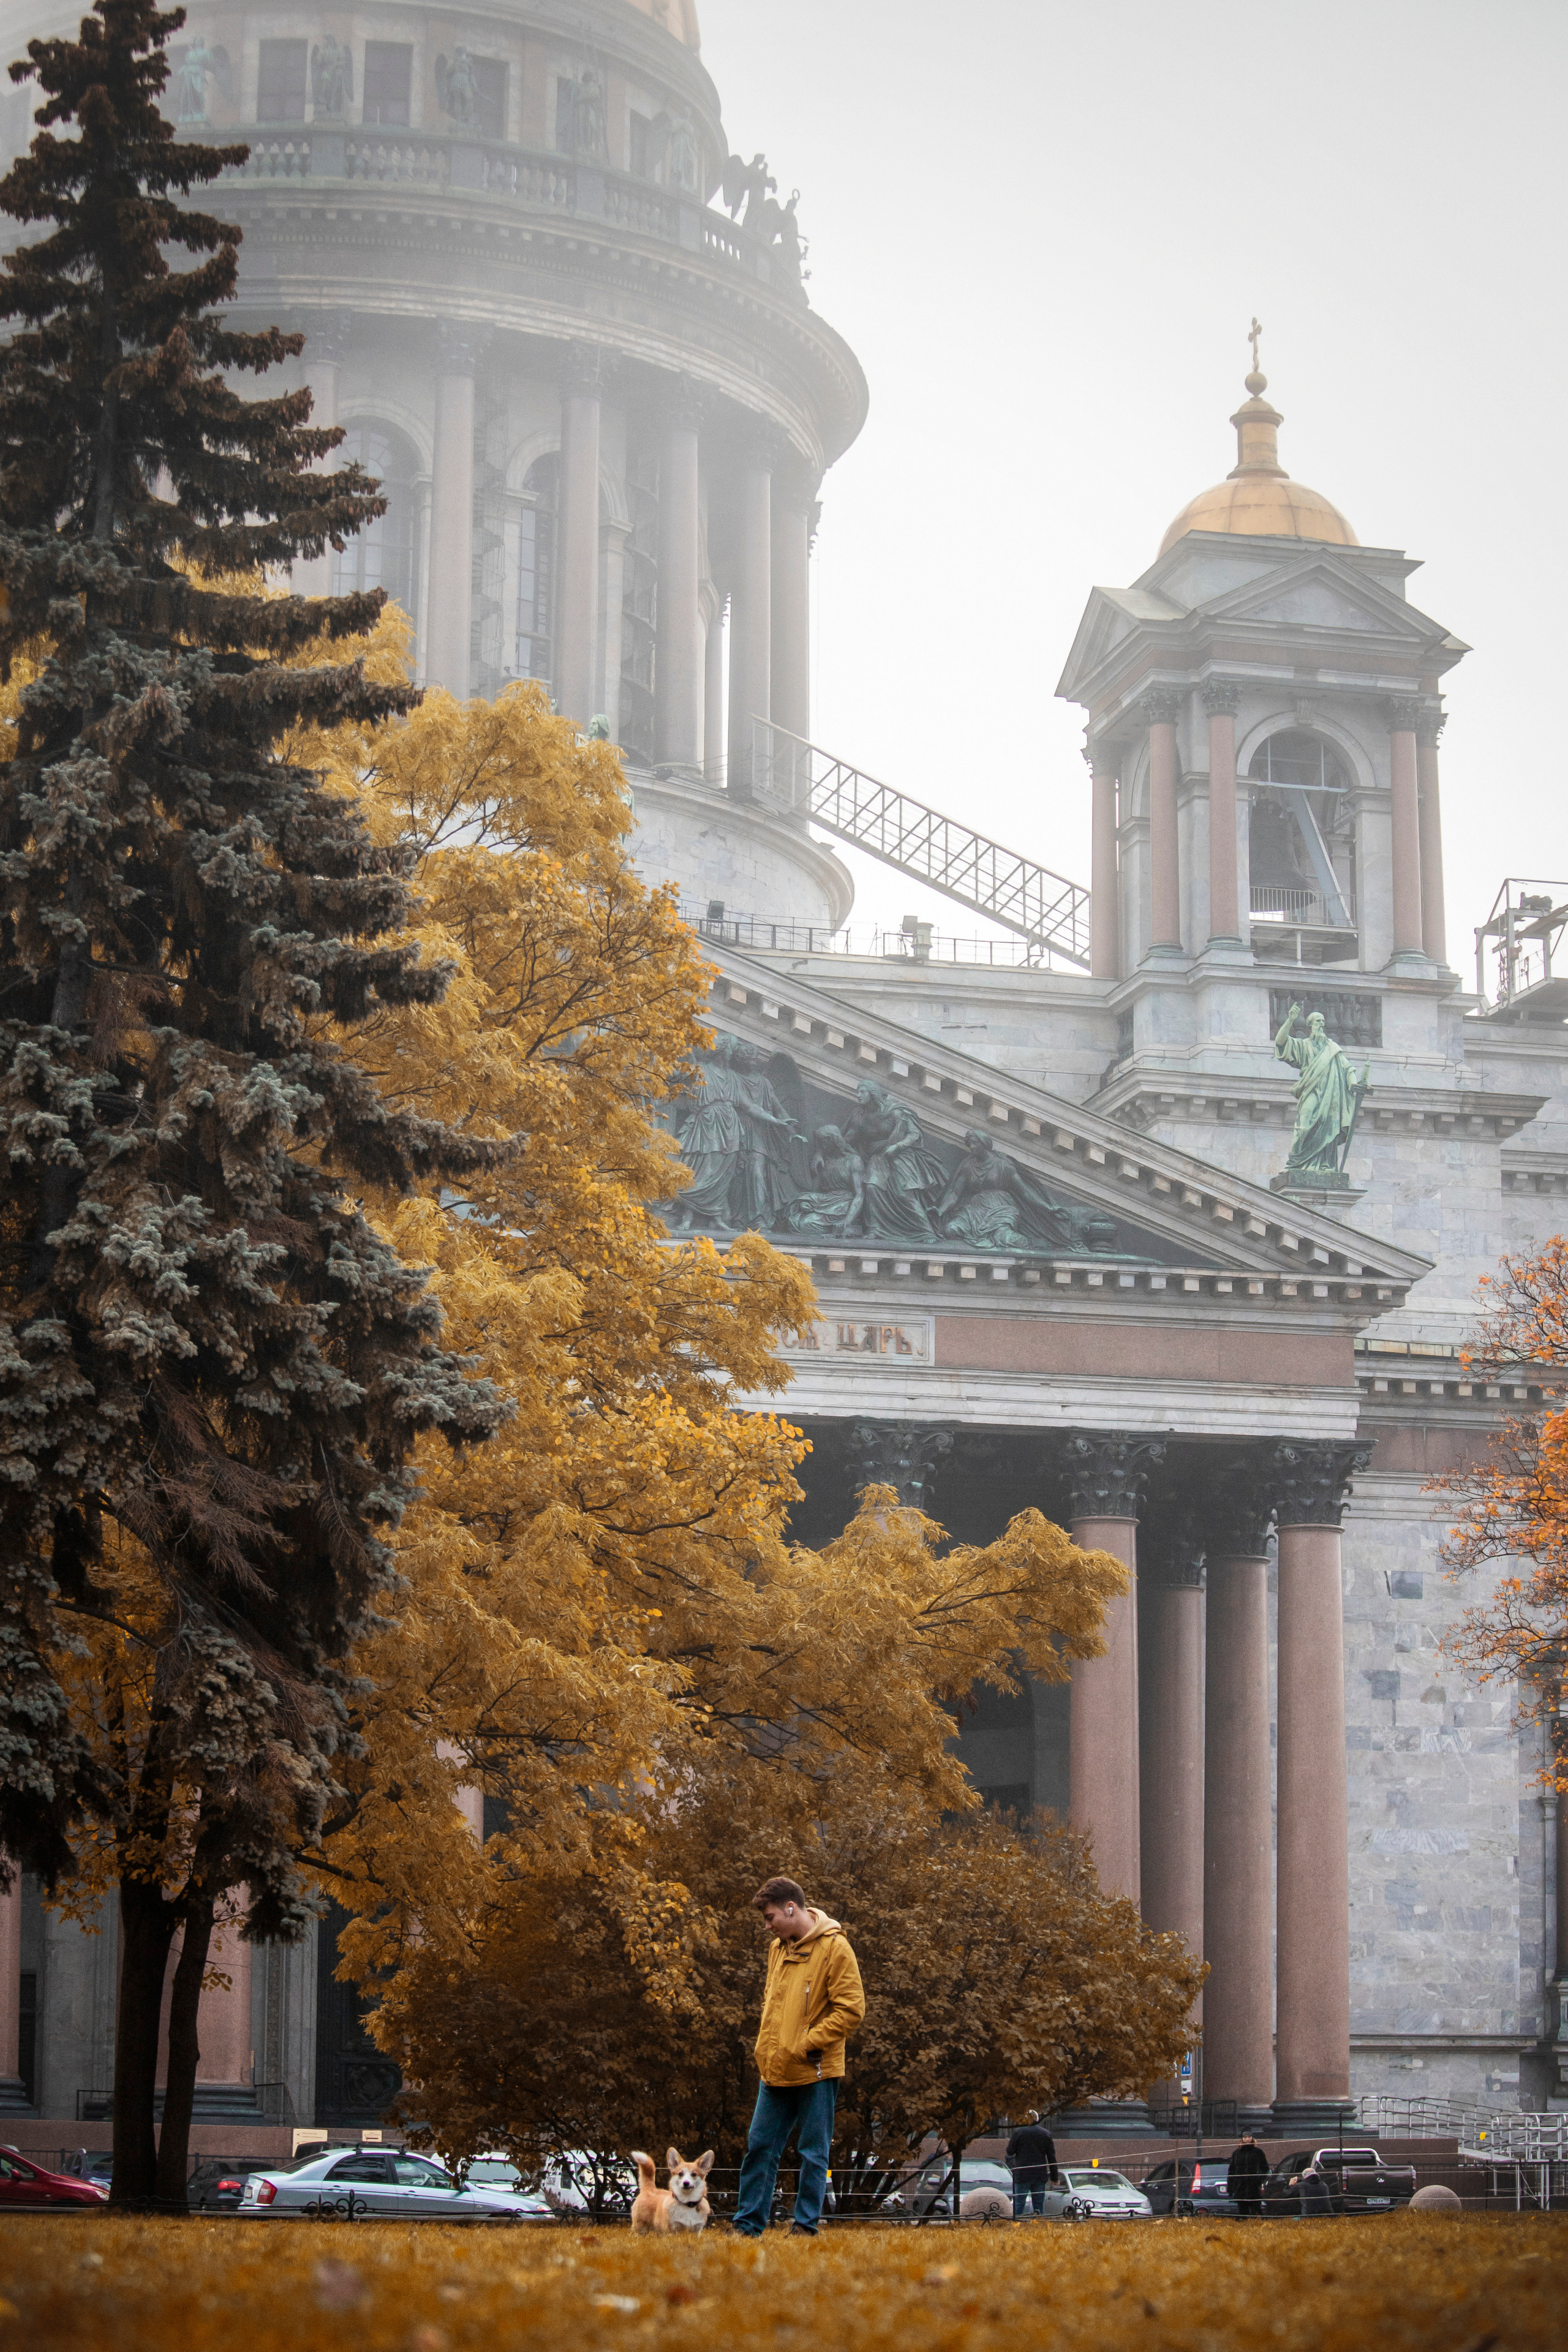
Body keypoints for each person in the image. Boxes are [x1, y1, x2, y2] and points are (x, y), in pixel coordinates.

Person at [731, 1875, 865, 2239]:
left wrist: (808, 2043)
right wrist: (769, 2048)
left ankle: (805, 2227)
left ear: (791, 1908)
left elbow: (851, 2010)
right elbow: (773, 2006)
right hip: (774, 2070)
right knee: (760, 2147)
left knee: (813, 2152)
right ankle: (747, 2226)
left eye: (771, 1917)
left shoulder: (836, 1949)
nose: (768, 1926)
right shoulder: (778, 1949)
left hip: (816, 2070)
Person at [1005, 2109, 1058, 2218]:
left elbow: (1010, 2151)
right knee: (1038, 2205)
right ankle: (1038, 2225)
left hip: (1022, 2174)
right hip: (1039, 2175)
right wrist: (1054, 2177)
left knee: (1019, 2204)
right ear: (1038, 2119)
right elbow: (1052, 2158)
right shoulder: (1046, 2134)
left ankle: (1017, 2224)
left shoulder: (1019, 2132)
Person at [1227, 2130, 1269, 2217]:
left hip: (1254, 2187)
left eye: (1249, 2137)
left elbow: (1265, 2168)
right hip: (1240, 2187)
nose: (1247, 2139)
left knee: (1256, 2212)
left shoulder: (1258, 2152)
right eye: (1245, 2137)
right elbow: (1232, 2171)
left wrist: (1259, 2180)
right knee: (1242, 2213)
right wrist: (1231, 2188)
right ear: (1242, 2139)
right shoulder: (1237, 2153)